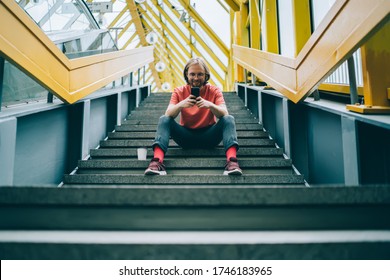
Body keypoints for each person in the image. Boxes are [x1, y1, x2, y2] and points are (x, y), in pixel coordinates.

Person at [144, 57, 242, 176]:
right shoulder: (179, 91)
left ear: (206, 75)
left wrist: (210, 105)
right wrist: (181, 104)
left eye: (200, 74)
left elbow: (224, 113)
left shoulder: (214, 91)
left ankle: (232, 163)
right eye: (192, 74)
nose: (196, 78)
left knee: (229, 119)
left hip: (209, 137)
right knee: (164, 119)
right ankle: (156, 163)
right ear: (186, 74)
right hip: (185, 137)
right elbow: (168, 114)